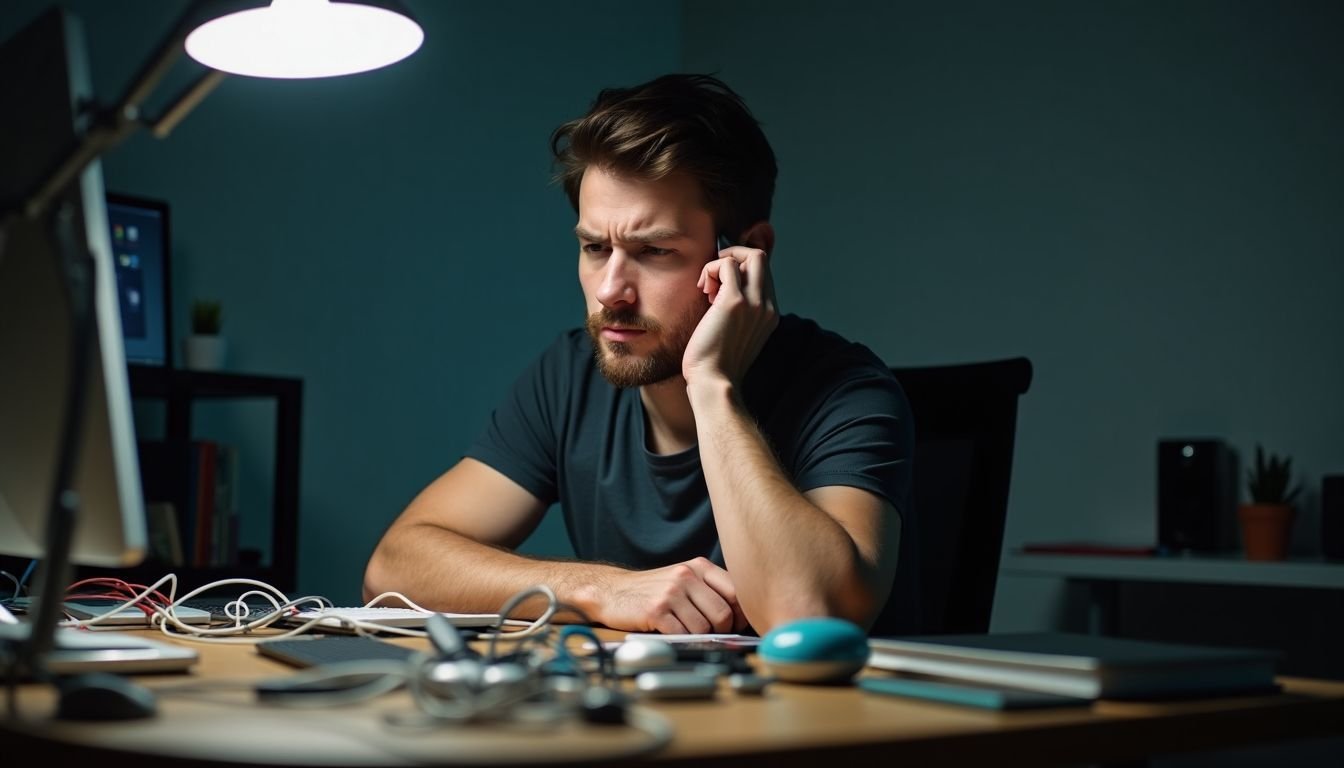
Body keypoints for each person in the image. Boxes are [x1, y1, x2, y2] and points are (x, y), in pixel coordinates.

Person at [363, 73, 913, 636]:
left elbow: (808, 618)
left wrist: (712, 387)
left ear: (747, 254)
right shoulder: (570, 373)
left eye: (653, 251)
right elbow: (393, 569)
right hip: (636, 714)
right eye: (595, 248)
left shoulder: (848, 390)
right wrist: (604, 590)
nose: (610, 291)